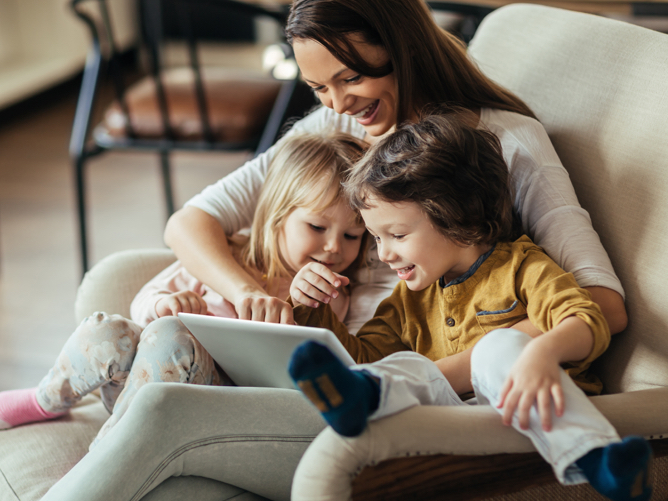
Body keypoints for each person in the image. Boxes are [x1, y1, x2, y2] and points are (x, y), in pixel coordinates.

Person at [40, 0, 629, 499]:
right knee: (169, 443)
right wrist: (255, 296)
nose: (338, 105)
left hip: (386, 398)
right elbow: (191, 222)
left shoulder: (504, 146)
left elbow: (601, 304)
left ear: (402, 49)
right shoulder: (333, 130)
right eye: (319, 87)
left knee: (165, 412)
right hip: (329, 372)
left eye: (351, 79)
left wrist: (426, 374)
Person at [287, 111, 651, 501]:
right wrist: (310, 306)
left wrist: (542, 352)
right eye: (376, 238)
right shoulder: (407, 300)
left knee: (496, 348)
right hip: (458, 420)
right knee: (406, 367)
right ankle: (367, 397)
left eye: (397, 234)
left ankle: (599, 459)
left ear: (456, 216)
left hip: (531, 410)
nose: (385, 254)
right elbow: (361, 357)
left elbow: (586, 317)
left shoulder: (521, 266)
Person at [0, 131, 367, 446]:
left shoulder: (330, 296)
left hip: (208, 400)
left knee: (174, 336)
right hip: (141, 383)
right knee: (107, 328)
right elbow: (143, 302)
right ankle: (45, 400)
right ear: (277, 216)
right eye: (317, 228)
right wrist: (164, 305)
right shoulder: (228, 256)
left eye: (352, 235)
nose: (334, 247)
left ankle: (108, 450)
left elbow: (305, 368)